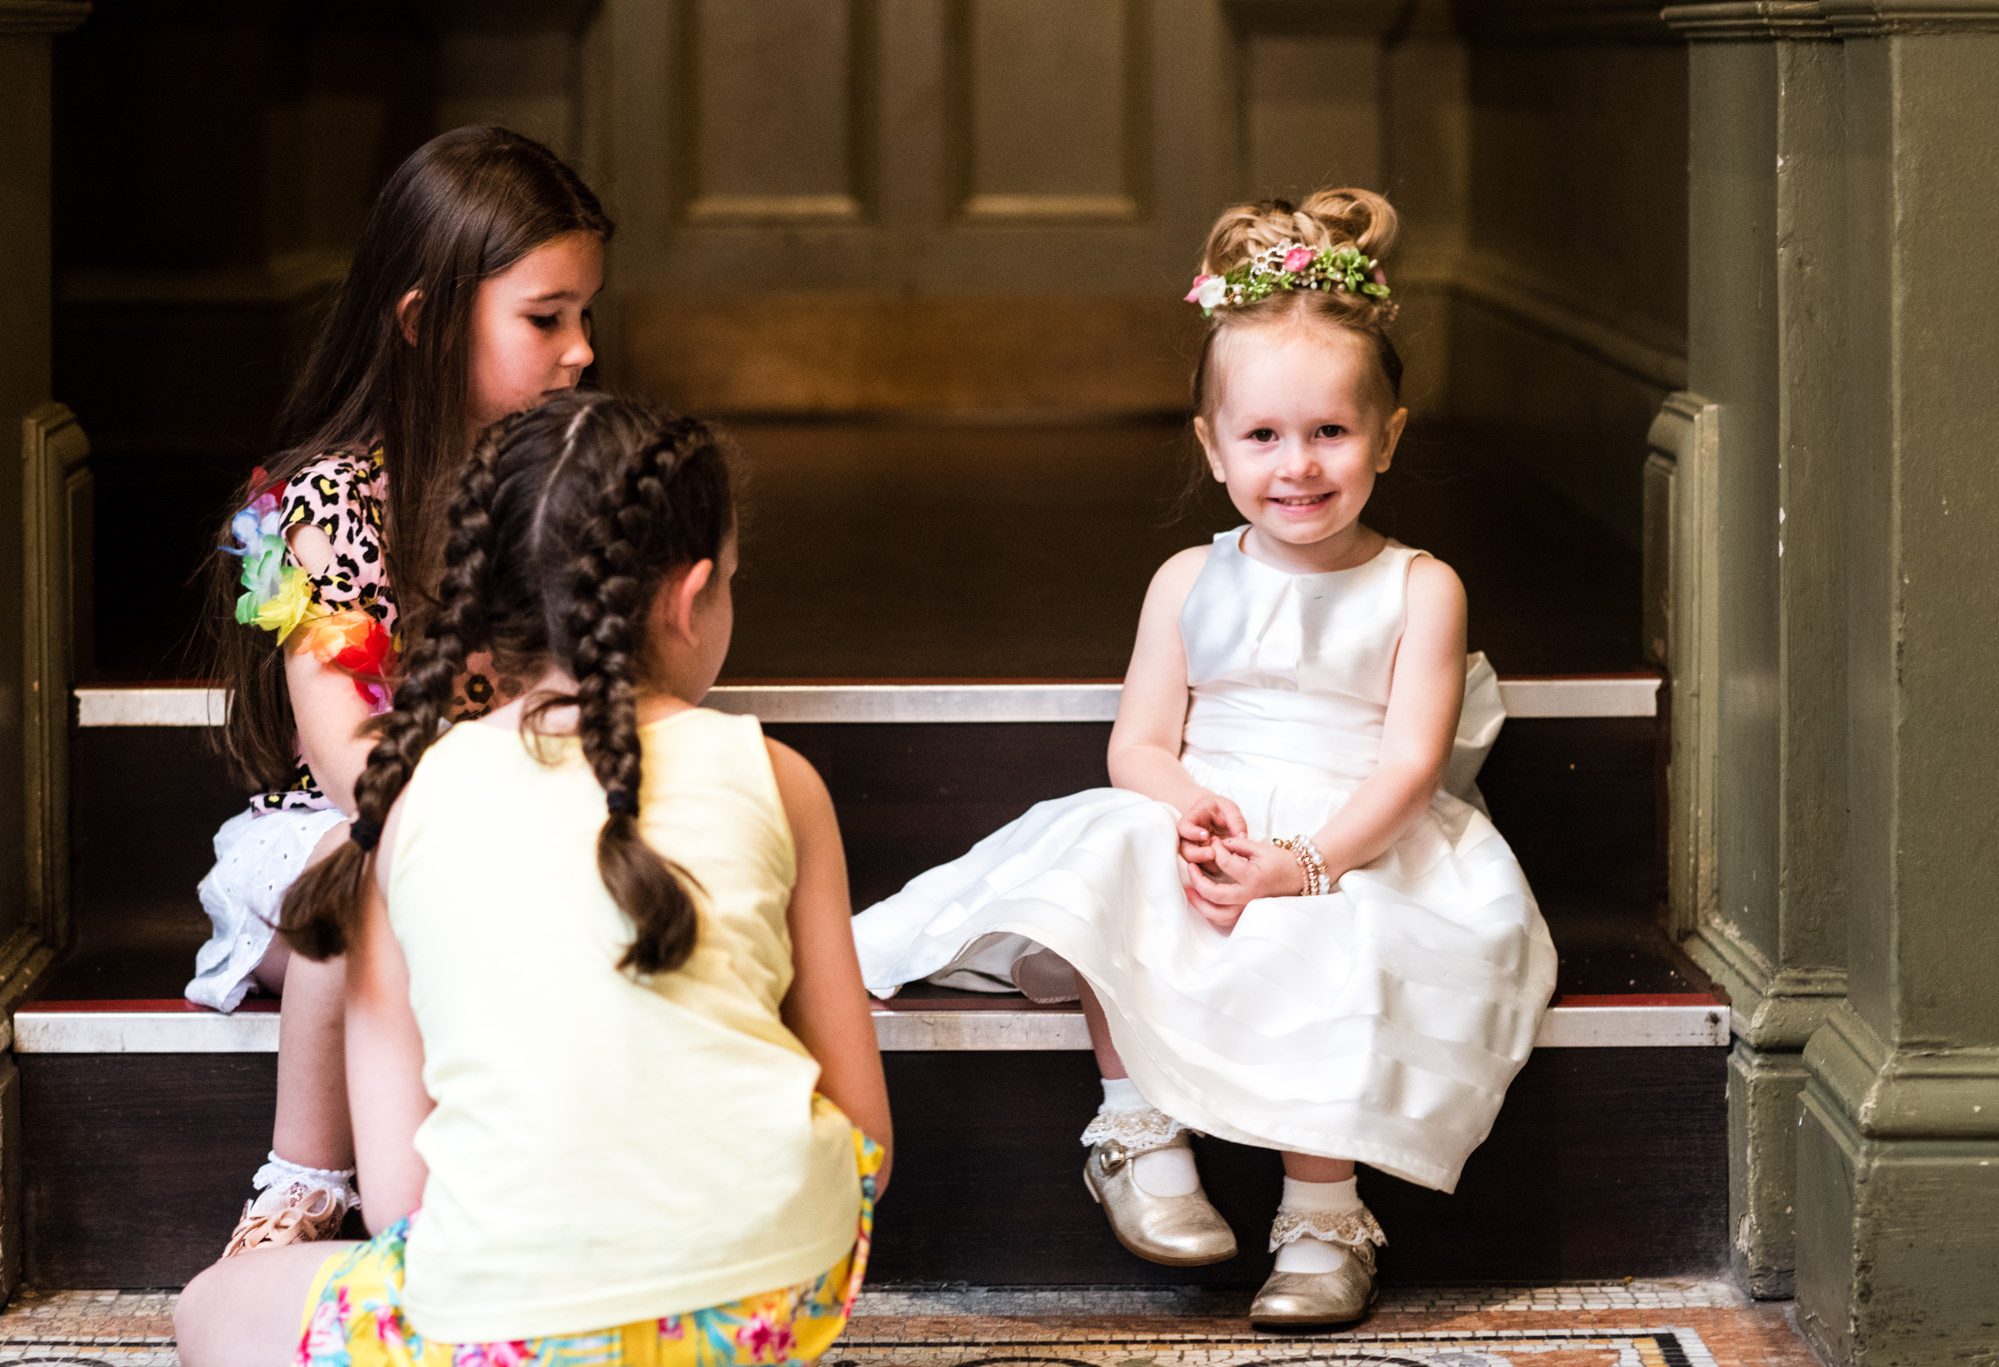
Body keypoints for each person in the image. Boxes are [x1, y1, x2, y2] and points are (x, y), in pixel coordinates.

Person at [851, 188, 1556, 1328]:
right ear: (1211, 444)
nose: (1298, 465)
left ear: (1387, 436)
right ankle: (1137, 1131)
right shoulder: (1188, 579)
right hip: (1214, 807)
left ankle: (1320, 1213)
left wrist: (1303, 863)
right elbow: (1137, 743)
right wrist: (1187, 806)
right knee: (1116, 860)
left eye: (1330, 433)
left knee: (1337, 940)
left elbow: (1408, 768)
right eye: (1263, 435)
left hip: (1350, 834)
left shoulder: (1420, 587)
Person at [175, 392, 892, 1367]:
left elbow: (399, 1201)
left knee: (210, 1307)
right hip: (775, 1296)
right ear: (688, 598)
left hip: (497, 1323)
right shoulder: (781, 779)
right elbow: (865, 1136)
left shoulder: (407, 807)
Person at [192, 125, 611, 1255]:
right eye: (546, 318)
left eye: (585, 315)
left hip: (509, 821)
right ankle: (302, 1181)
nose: (580, 350)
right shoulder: (329, 504)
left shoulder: (553, 488)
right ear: (425, 320)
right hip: (337, 836)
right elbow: (346, 759)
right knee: (365, 882)